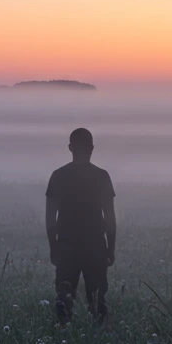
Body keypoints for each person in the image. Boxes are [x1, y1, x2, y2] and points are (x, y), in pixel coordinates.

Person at [45, 127, 116, 324]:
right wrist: (111, 248)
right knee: (97, 302)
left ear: (70, 147)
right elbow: (110, 217)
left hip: (67, 247)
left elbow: (50, 218)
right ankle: (98, 343)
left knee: (64, 300)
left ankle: (64, 341)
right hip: (95, 247)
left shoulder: (58, 176)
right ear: (92, 148)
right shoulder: (102, 176)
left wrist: (54, 247)